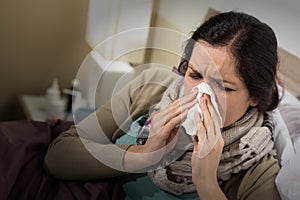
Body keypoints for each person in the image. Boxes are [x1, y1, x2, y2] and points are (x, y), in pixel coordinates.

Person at [44, 11, 281, 199]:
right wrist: (145, 154)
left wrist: (207, 182)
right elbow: (57, 157)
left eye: (224, 87)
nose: (201, 96)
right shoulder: (152, 85)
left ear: (255, 96)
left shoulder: (256, 166)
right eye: (195, 75)